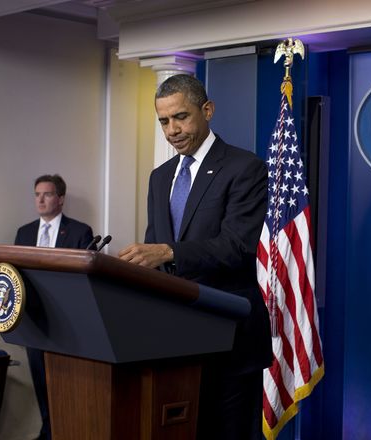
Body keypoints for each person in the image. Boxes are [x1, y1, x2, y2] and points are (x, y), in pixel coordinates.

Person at [118, 74, 272, 439]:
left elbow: (237, 247)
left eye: (181, 117)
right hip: (175, 341)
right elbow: (155, 249)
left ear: (208, 110)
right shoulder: (159, 177)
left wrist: (168, 251)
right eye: (164, 121)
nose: (172, 130)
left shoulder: (244, 168)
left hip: (230, 340)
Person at [14, 174, 96, 440]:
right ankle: (47, 431)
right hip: (34, 320)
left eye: (47, 194)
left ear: (60, 199)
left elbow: (86, 279)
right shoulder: (24, 233)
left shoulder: (80, 232)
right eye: (37, 194)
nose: (40, 200)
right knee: (40, 379)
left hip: (66, 320)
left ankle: (66, 431)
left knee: (66, 382)